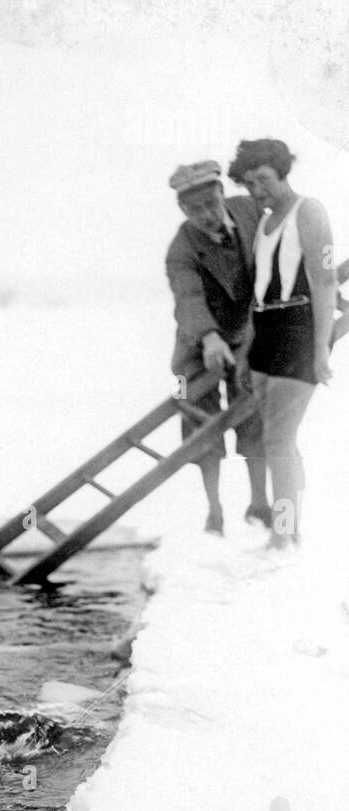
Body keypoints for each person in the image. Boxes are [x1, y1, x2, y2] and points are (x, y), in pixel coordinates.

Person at [228, 138, 338, 548]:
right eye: (250, 183)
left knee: (279, 438)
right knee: (272, 438)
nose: (258, 191)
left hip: (297, 327)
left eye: (265, 180)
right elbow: (260, 290)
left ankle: (286, 532)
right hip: (265, 332)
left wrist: (321, 346)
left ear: (283, 172)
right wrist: (246, 351)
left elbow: (325, 280)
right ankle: (289, 525)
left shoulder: (309, 211)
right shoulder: (264, 222)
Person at [166, 159, 270, 535]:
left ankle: (260, 503)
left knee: (254, 417)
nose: (207, 215)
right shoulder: (181, 250)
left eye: (211, 204)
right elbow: (188, 298)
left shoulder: (249, 210)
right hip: (198, 346)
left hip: (245, 336)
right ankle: (215, 510)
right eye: (196, 210)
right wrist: (209, 337)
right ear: (183, 210)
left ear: (223, 195)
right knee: (202, 428)